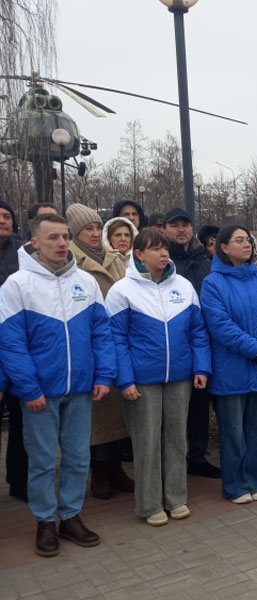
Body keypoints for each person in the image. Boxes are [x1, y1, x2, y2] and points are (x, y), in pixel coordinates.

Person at [0, 213, 115, 557]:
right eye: (53, 238)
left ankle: (70, 517)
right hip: (41, 394)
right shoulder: (17, 286)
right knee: (43, 461)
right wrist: (28, 388)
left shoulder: (86, 282)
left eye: (65, 236)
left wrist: (104, 375)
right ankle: (45, 521)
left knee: (78, 458)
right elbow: (11, 343)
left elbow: (101, 332)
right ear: (34, 242)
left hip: (80, 389)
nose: (62, 243)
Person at [105, 229, 211, 525]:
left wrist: (200, 368)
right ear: (139, 254)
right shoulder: (122, 290)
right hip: (142, 381)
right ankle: (150, 504)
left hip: (179, 376)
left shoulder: (184, 286)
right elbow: (117, 341)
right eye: (156, 249)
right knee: (147, 442)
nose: (164, 254)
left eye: (165, 248)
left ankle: (176, 498)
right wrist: (124, 381)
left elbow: (197, 332)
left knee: (177, 438)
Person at [201, 225, 257, 502]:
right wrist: (254, 348)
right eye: (239, 240)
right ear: (223, 248)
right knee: (233, 431)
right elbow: (220, 325)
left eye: (248, 239)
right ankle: (235, 485)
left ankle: (255, 479)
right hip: (232, 368)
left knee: (256, 429)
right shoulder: (213, 283)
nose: (247, 244)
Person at [66, 203, 133, 500]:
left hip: (116, 341)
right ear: (74, 233)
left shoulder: (115, 259)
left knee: (117, 414)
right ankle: (99, 472)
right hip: (87, 344)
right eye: (87, 229)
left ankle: (117, 468)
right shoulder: (70, 260)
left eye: (97, 228)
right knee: (95, 414)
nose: (94, 234)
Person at [163, 207, 220, 478]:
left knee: (199, 405)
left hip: (204, 343)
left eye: (185, 224)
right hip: (172, 345)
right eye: (175, 225)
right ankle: (171, 461)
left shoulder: (205, 260)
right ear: (164, 230)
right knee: (172, 409)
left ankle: (197, 456)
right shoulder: (162, 261)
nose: (181, 230)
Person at [0, 199, 28, 502]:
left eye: (7, 216)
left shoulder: (22, 255)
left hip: (19, 347)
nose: (3, 221)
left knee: (21, 421)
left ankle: (19, 480)